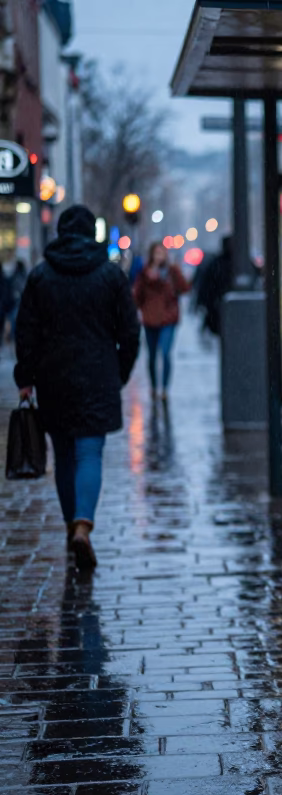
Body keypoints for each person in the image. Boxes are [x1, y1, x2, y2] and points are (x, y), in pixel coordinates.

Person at [13, 205, 141, 571]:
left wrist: (26, 378)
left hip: (53, 378)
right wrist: (120, 371)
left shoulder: (40, 277)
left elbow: (27, 333)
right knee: (89, 453)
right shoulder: (110, 276)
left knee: (65, 455)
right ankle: (83, 524)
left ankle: (72, 525)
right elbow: (130, 331)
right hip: (98, 375)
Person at [133, 242, 191, 399]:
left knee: (165, 353)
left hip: (168, 318)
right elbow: (137, 296)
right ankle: (154, 387)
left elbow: (185, 287)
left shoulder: (172, 271)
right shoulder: (144, 274)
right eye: (156, 253)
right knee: (151, 355)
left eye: (162, 252)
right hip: (150, 319)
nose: (159, 256)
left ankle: (164, 389)